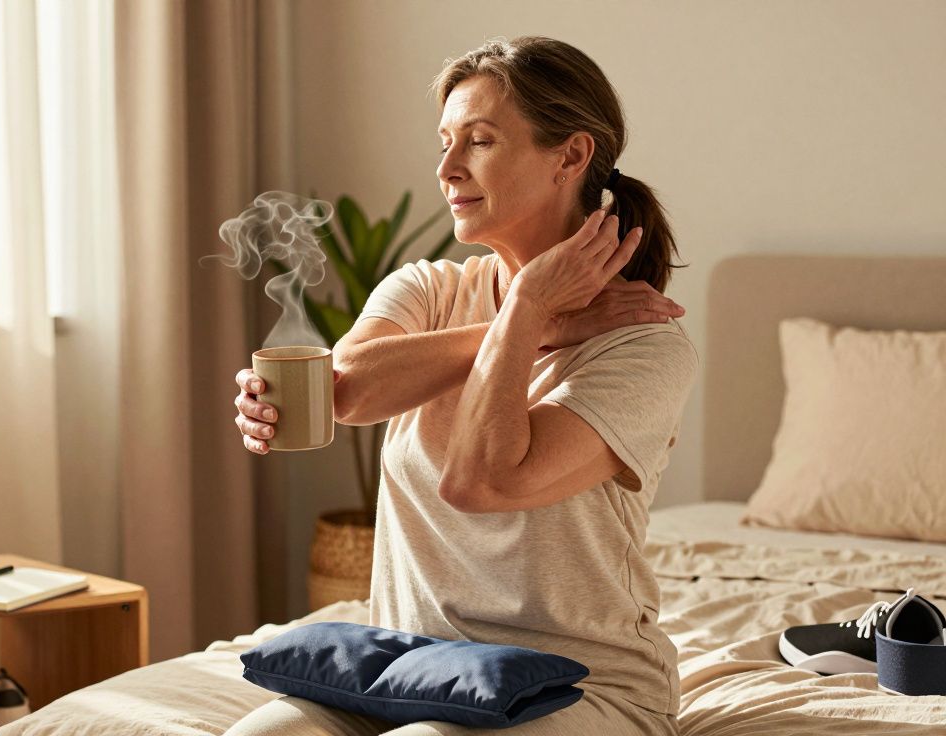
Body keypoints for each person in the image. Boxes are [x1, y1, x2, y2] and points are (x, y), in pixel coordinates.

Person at [228, 36, 695, 736]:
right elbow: (346, 391)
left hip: (581, 684)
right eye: (445, 143)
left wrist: (528, 308)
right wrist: (532, 322)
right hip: (408, 668)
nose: (447, 169)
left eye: (479, 141)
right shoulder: (428, 289)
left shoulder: (642, 343)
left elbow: (481, 482)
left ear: (570, 155)